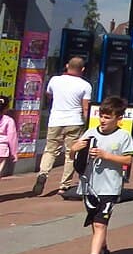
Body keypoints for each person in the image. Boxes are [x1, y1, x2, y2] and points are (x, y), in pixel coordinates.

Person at [70, 95, 133, 254]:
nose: (103, 120)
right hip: (89, 186)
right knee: (95, 222)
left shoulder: (123, 136)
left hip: (110, 187)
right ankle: (104, 253)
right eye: (102, 116)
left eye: (108, 117)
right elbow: (74, 152)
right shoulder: (91, 132)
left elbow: (128, 160)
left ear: (118, 118)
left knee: (100, 224)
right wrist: (75, 148)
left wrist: (106, 155)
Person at [34, 56, 94, 196]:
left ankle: (43, 173)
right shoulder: (85, 85)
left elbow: (49, 95)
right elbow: (86, 108)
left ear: (67, 65)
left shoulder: (55, 80)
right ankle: (64, 185)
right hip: (75, 121)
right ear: (83, 69)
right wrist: (87, 124)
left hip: (55, 120)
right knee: (71, 153)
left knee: (50, 150)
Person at [1, 96, 18, 181]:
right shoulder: (9, 120)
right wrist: (14, 153)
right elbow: (12, 137)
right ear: (6, 108)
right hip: (2, 149)